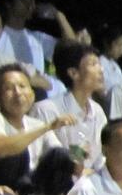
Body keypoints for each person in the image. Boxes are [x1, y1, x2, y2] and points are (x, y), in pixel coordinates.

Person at [0, 65, 66, 191]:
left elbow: (59, 155)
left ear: (32, 94)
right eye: (8, 88)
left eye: (22, 86)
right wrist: (47, 127)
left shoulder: (37, 124)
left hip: (30, 189)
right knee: (16, 153)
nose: (18, 93)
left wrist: (80, 156)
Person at [32, 40, 108, 171]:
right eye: (93, 64)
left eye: (99, 64)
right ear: (73, 73)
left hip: (91, 180)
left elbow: (101, 159)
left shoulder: (98, 111)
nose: (101, 70)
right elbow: (53, 159)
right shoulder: (46, 110)